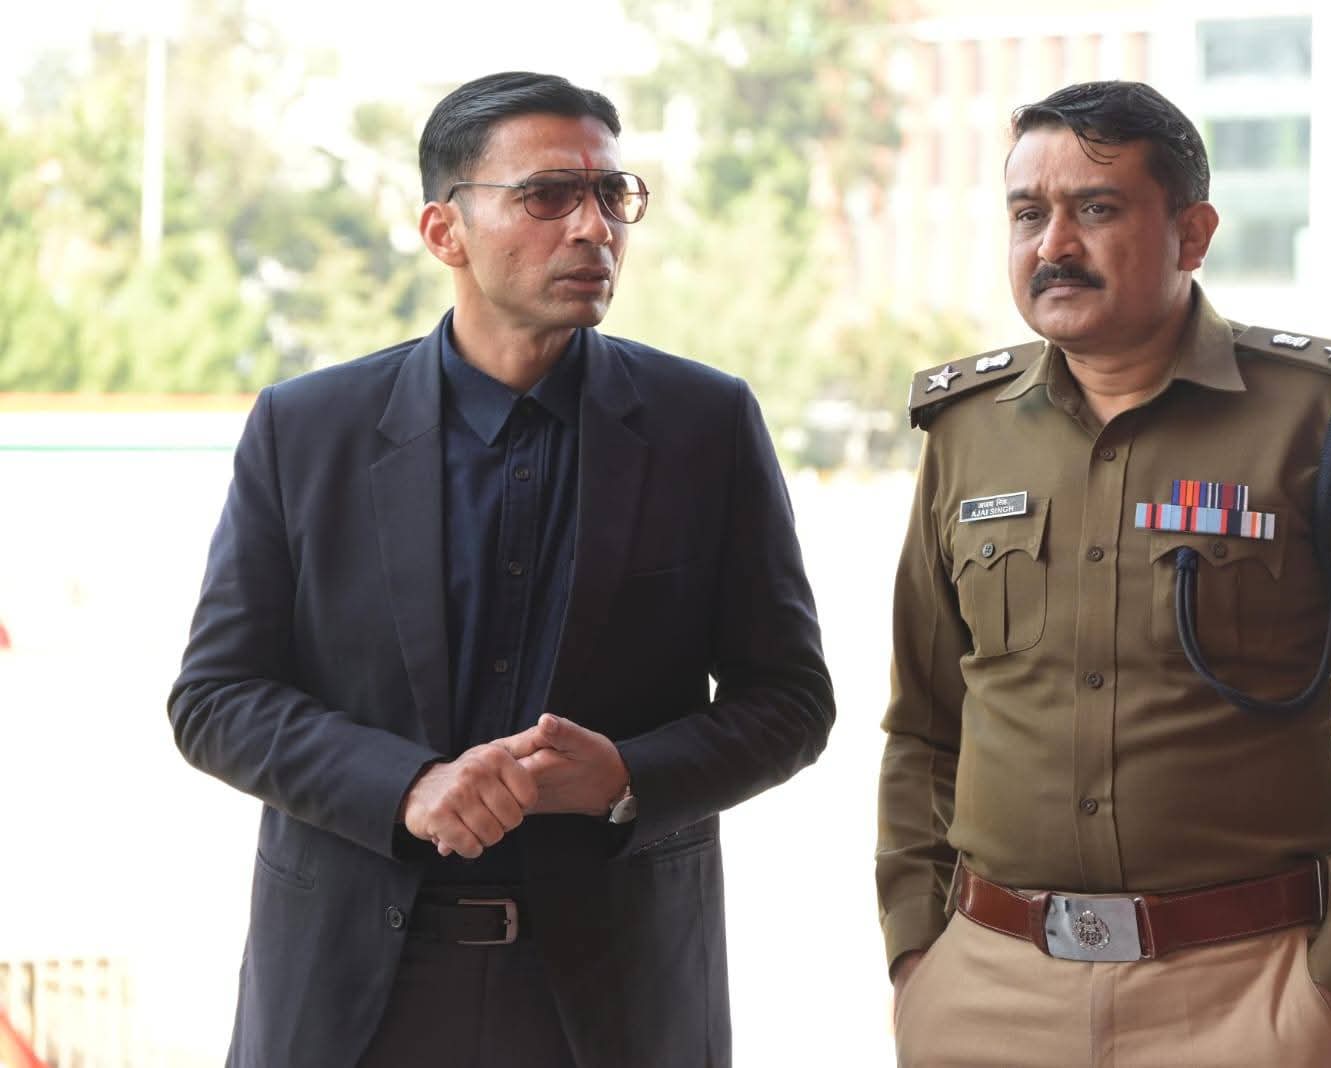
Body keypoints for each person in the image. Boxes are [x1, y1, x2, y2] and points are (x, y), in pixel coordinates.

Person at [169, 71, 833, 1068]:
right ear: (445, 231)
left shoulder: (705, 424)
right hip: (350, 996)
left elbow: (789, 700)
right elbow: (215, 699)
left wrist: (625, 778)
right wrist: (405, 787)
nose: (594, 228)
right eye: (548, 196)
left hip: (617, 998)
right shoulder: (306, 430)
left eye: (612, 194)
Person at [875, 80, 1331, 1067]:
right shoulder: (966, 429)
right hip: (985, 989)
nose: (1053, 244)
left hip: (1240, 993)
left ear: (1192, 234)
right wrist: (917, 952)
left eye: (1096, 208)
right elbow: (923, 723)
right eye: (1028, 213)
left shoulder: (1320, 414)